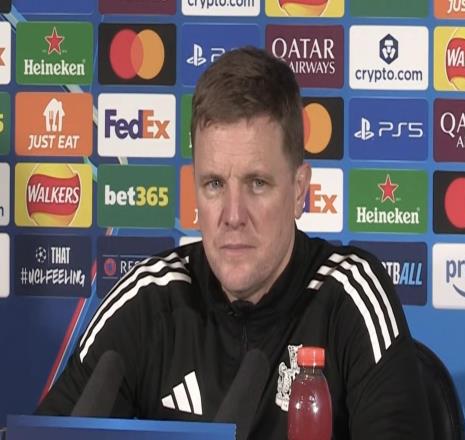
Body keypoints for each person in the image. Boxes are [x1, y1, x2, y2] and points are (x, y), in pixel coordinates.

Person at [37, 47, 433, 439]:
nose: (233, 215)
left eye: (257, 183)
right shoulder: (149, 299)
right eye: (214, 184)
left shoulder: (349, 295)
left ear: (299, 190)